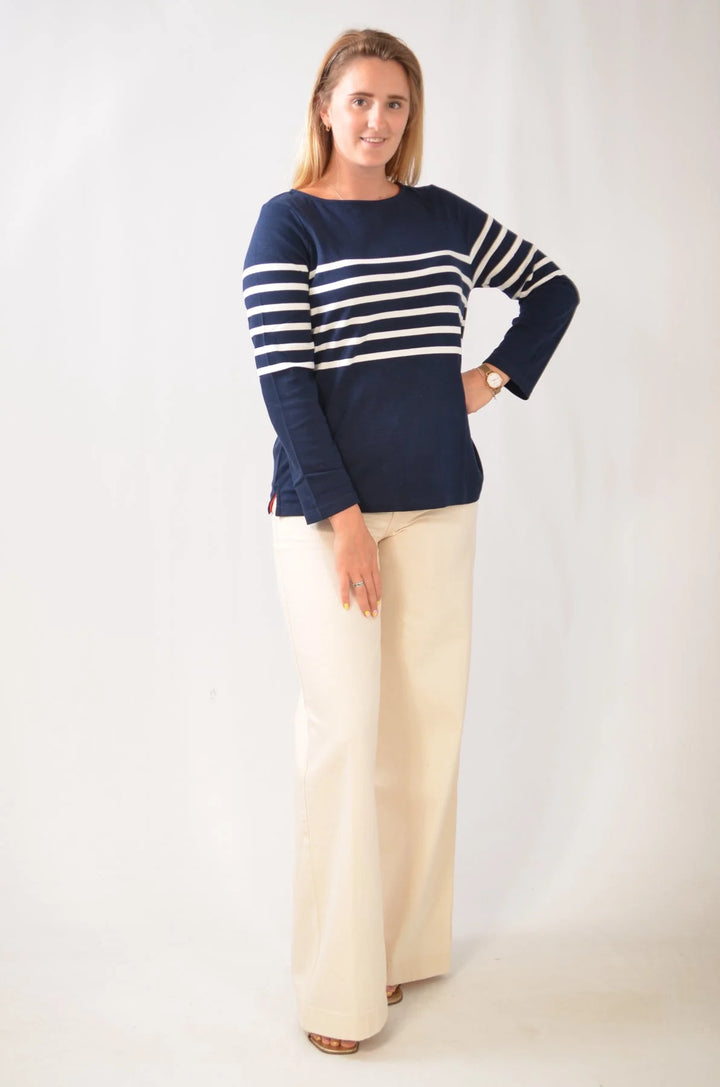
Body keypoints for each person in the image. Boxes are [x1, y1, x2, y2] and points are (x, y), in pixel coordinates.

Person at [242, 27, 579, 1055]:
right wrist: (342, 519)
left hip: (438, 502)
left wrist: (488, 378)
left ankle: (395, 946)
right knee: (345, 734)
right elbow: (286, 385)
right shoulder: (289, 222)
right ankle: (335, 993)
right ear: (324, 106)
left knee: (424, 733)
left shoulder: (440, 218)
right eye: (360, 100)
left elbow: (552, 288)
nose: (377, 120)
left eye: (394, 103)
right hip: (325, 515)